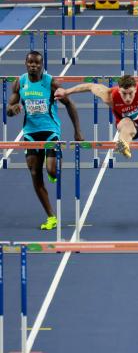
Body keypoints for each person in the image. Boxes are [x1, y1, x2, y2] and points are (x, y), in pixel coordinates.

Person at [7, 51, 83, 230]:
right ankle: (51, 217)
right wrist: (13, 109)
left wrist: (77, 131)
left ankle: (54, 169)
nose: (33, 65)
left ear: (42, 65)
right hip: (30, 133)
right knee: (35, 172)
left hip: (50, 131)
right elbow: (9, 108)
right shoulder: (20, 83)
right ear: (26, 64)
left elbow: (70, 104)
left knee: (51, 170)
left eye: (37, 63)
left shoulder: (51, 83)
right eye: (30, 63)